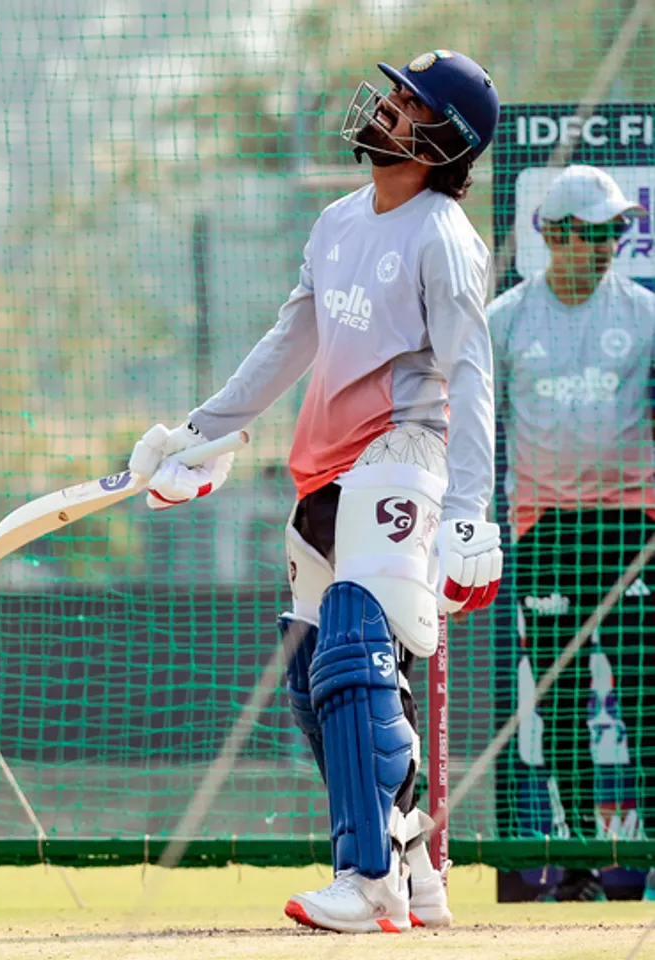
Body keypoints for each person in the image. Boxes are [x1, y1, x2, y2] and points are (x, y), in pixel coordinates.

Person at [130, 49, 503, 933]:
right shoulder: (338, 222)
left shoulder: (442, 239)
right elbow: (288, 338)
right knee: (312, 679)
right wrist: (202, 430)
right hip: (323, 467)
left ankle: (365, 878)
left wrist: (468, 511)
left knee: (350, 642)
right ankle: (409, 858)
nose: (385, 106)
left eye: (408, 102)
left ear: (443, 138)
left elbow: (471, 374)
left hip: (404, 449)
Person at [489, 165, 655, 901]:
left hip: (635, 530)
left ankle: (647, 851)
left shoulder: (646, 316)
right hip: (547, 532)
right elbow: (464, 423)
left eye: (618, 228)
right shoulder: (504, 321)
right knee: (555, 699)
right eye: (595, 230)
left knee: (647, 693)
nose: (612, 242)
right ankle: (581, 862)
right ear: (551, 235)